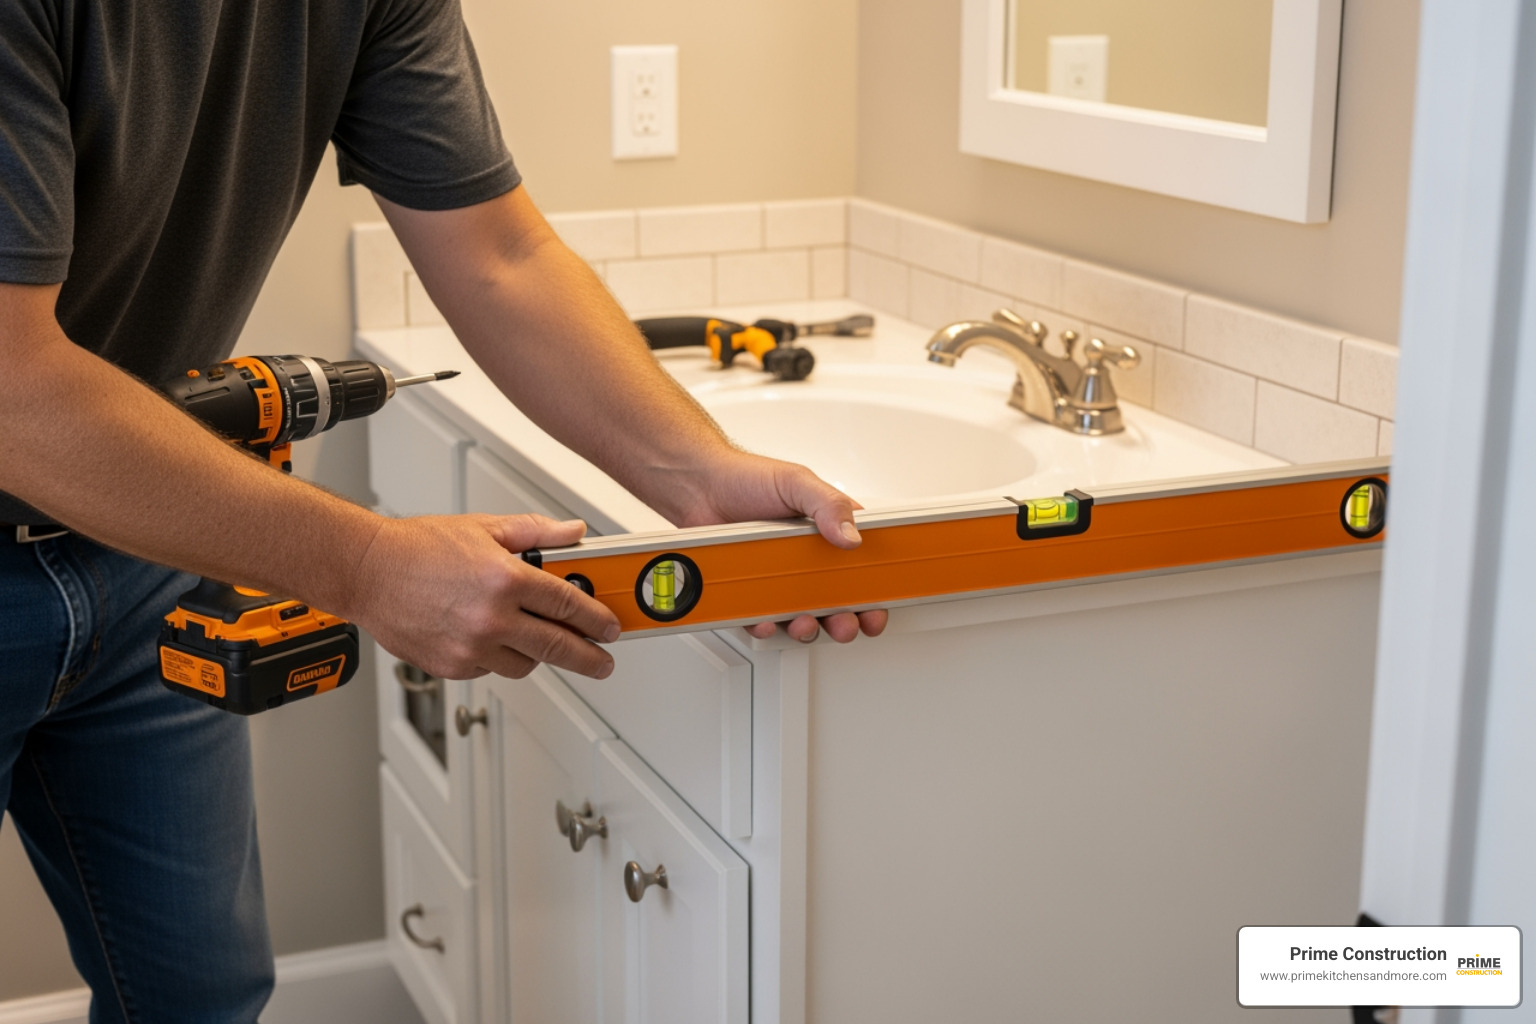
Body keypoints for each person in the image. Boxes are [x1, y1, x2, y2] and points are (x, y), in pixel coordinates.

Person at [0, 0, 884, 1019]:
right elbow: (15, 391)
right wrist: (366, 565)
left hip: (137, 544)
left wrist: (697, 472)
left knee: (198, 992)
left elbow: (500, 255)